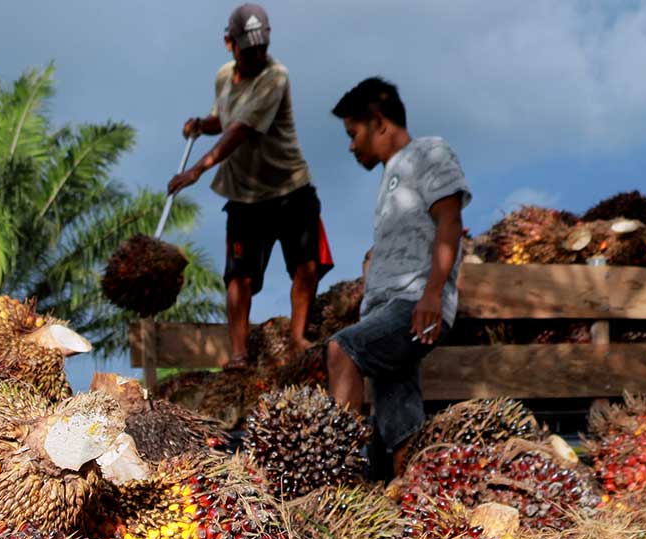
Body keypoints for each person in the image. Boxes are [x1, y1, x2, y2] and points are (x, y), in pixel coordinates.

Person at [167, 3, 332, 370]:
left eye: (262, 46)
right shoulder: (224, 76)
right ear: (230, 43)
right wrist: (201, 124)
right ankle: (239, 353)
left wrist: (196, 171)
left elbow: (240, 131)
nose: (258, 54)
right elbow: (225, 120)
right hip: (245, 194)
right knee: (238, 275)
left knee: (306, 265)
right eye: (250, 48)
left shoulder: (276, 77)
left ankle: (298, 338)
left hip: (290, 187)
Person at [327, 77, 471, 481]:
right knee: (398, 417)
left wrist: (431, 295)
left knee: (343, 350)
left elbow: (450, 220)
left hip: (413, 305)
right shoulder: (390, 177)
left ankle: (342, 482)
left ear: (379, 122)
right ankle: (410, 498)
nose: (351, 145)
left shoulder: (429, 152)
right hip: (390, 306)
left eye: (353, 134)